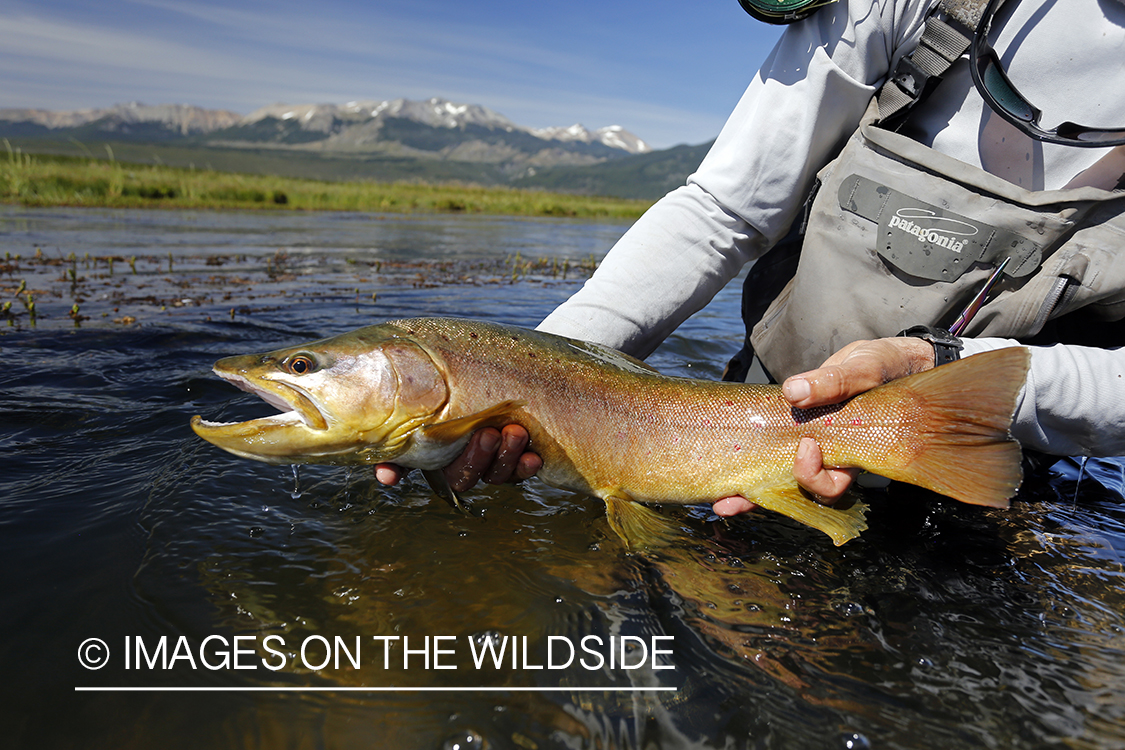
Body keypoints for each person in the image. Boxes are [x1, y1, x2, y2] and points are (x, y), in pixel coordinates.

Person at [377, 0, 1125, 511]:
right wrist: (533, 381)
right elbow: (725, 209)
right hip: (754, 431)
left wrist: (942, 373)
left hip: (1003, 463)